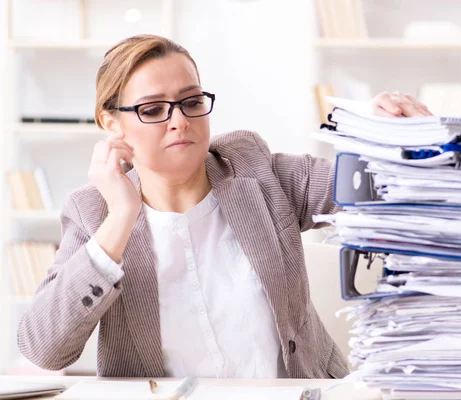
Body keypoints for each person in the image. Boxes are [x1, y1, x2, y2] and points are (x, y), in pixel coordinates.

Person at [17, 34, 432, 378]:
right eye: (153, 109)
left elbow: (375, 186)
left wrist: (391, 140)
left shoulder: (255, 170)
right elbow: (43, 349)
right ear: (112, 123)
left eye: (191, 102)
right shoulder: (93, 212)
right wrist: (121, 217)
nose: (179, 121)